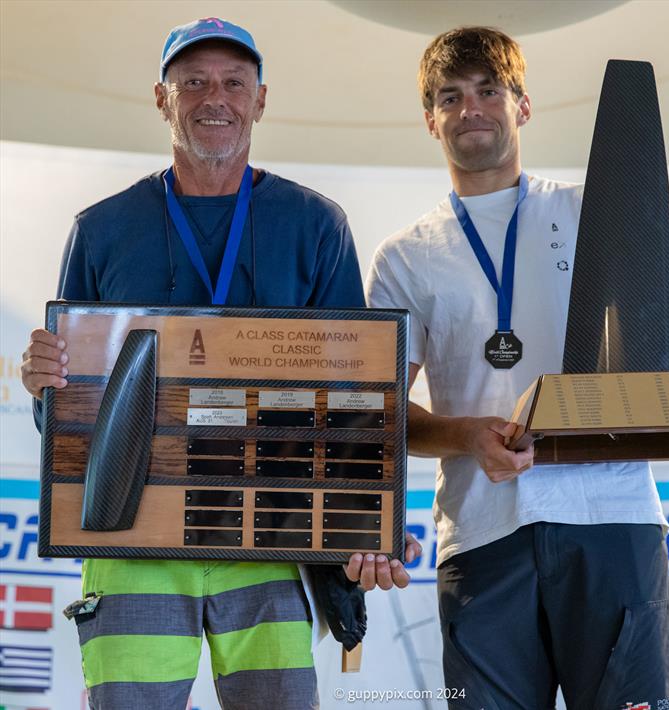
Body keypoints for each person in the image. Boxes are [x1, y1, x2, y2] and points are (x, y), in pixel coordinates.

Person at [366, 26, 669, 710]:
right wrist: (471, 436)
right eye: (451, 96)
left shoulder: (593, 211)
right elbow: (384, 409)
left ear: (522, 106)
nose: (471, 108)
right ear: (429, 118)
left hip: (611, 519)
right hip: (480, 535)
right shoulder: (405, 256)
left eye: (489, 91)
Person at [21, 18, 420, 710]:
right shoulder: (102, 229)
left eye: (234, 82)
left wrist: (365, 526)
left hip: (267, 537)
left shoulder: (315, 225)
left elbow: (355, 400)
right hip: (131, 543)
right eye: (194, 81)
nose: (215, 97)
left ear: (260, 99)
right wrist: (42, 383)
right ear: (161, 97)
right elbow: (65, 413)